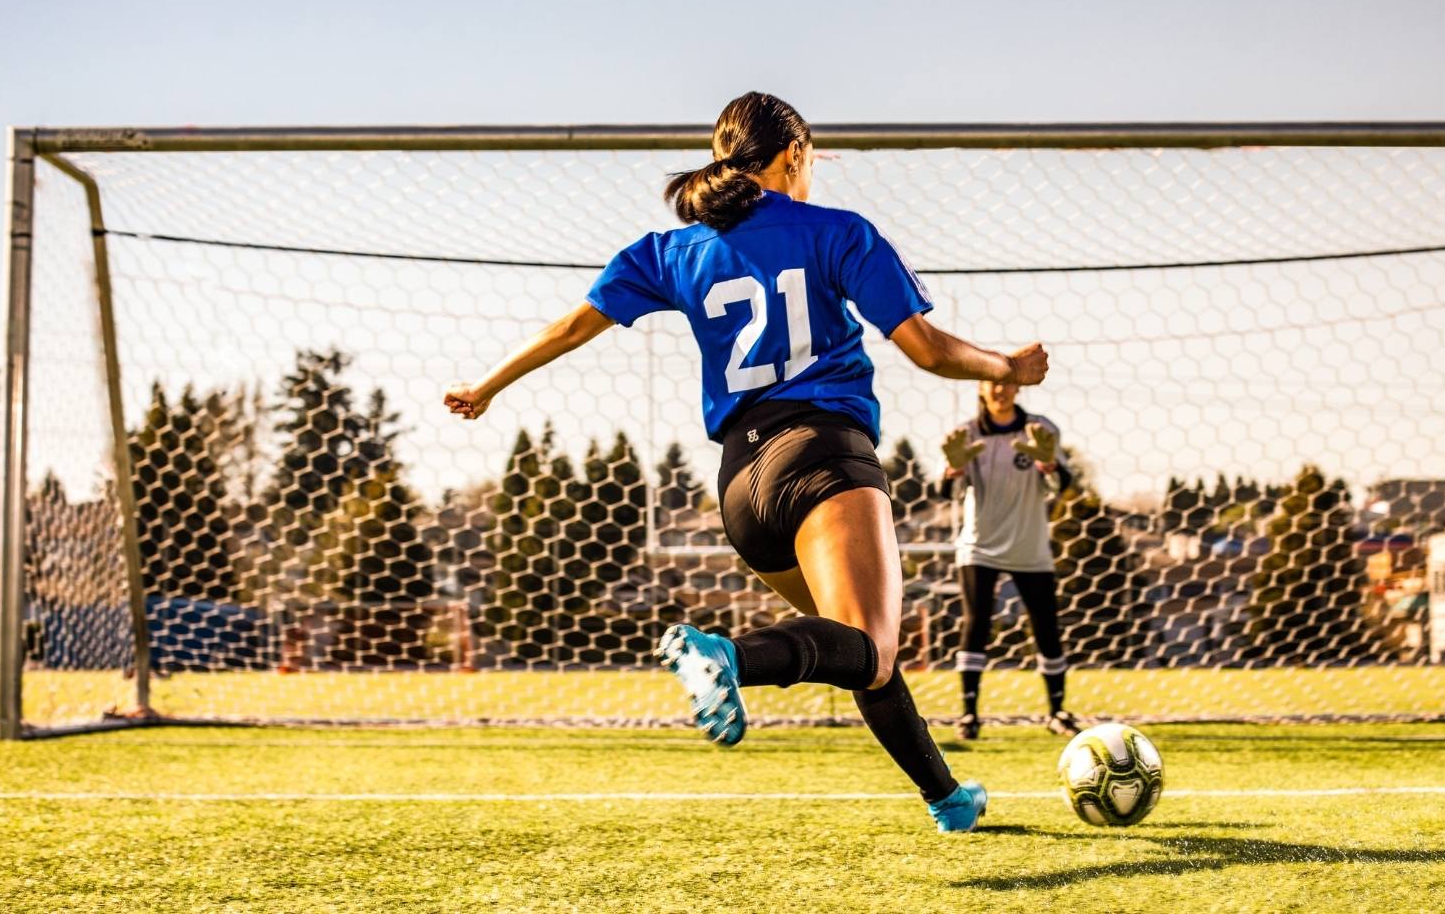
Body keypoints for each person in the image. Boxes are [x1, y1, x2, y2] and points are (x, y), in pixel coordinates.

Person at [445, 91, 1047, 833]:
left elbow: (571, 327)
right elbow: (925, 348)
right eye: (813, 158)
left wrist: (486, 387)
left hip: (741, 488)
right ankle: (723, 655)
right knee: (869, 645)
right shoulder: (839, 233)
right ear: (794, 155)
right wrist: (1006, 367)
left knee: (848, 647)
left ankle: (946, 797)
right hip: (821, 458)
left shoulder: (672, 250)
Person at [941, 380, 1079, 740]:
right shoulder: (965, 434)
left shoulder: (1040, 429)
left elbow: (1061, 485)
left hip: (1029, 545)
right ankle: (969, 715)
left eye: (1007, 382)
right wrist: (953, 471)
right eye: (992, 382)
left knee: (1046, 627)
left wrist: (1048, 463)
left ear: (1017, 388)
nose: (1000, 389)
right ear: (981, 389)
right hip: (979, 545)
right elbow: (948, 493)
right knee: (976, 624)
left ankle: (1058, 712)